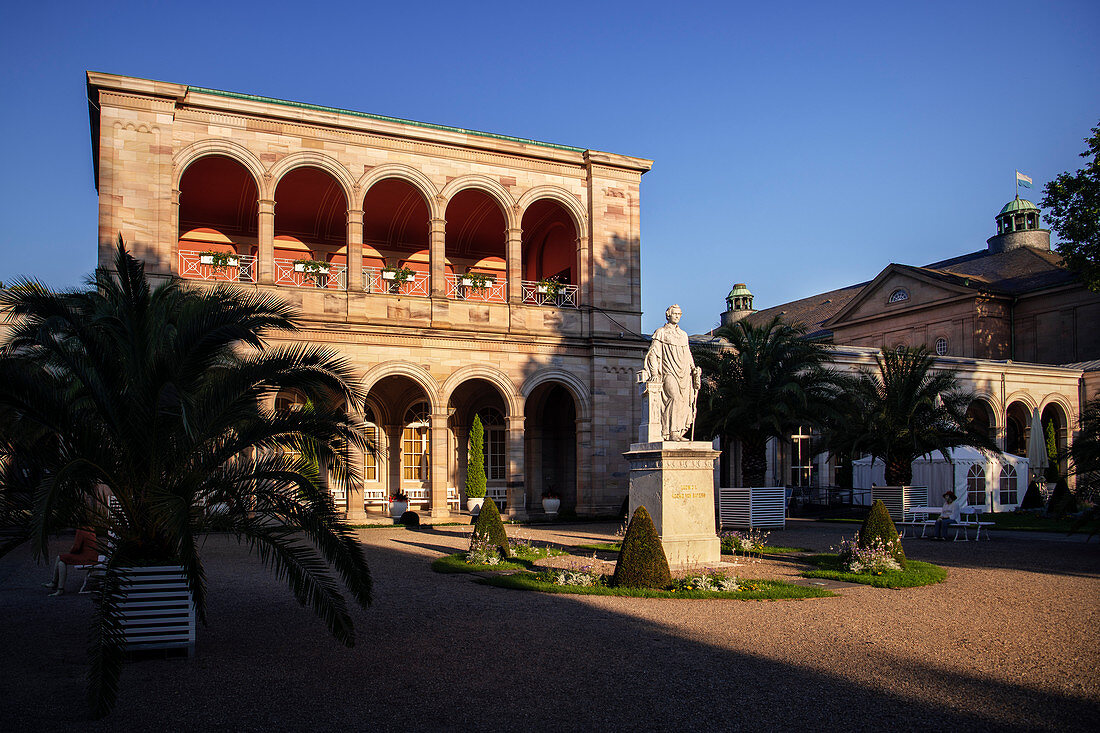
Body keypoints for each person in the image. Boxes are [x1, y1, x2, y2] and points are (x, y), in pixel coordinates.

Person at [640, 304, 702, 441]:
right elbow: (653, 354)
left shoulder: (683, 335)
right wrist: (654, 373)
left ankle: (678, 432)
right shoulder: (661, 332)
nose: (677, 316)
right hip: (668, 372)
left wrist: (693, 369)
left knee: (683, 402)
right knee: (675, 397)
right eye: (675, 314)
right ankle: (671, 432)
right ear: (668, 315)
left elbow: (688, 354)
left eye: (679, 314)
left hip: (684, 374)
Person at [43, 527, 98, 596]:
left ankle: (57, 586)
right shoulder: (90, 529)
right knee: (61, 561)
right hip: (92, 556)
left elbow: (76, 547)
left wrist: (71, 551)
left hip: (86, 557)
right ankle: (58, 586)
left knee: (60, 558)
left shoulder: (81, 530)